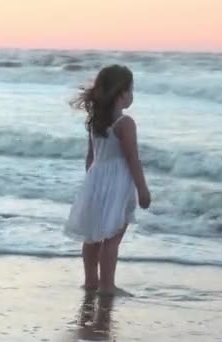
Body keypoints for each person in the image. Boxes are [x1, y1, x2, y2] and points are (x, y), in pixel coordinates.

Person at [65, 64, 151, 295]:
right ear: (122, 93)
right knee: (112, 237)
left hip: (95, 180)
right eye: (131, 90)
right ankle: (107, 285)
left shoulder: (96, 121)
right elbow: (133, 158)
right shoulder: (125, 123)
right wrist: (142, 189)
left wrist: (90, 185)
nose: (132, 95)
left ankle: (91, 281)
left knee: (93, 236)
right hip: (118, 184)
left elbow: (90, 156)